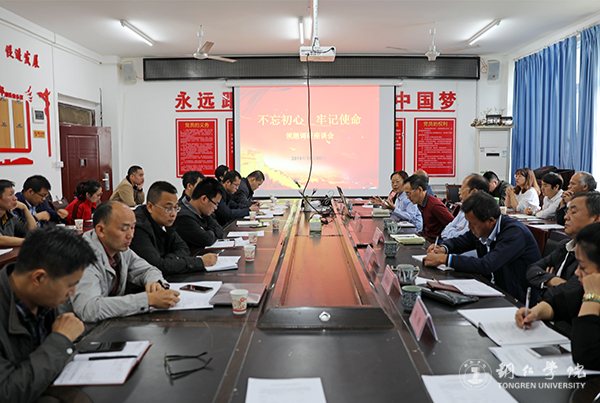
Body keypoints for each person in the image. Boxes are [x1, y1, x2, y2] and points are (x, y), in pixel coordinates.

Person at [0, 226, 96, 403]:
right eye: (69, 285)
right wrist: (60, 340)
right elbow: (7, 393)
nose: (72, 292)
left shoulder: (43, 299)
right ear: (38, 278)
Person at [60, 201, 180, 323]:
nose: (130, 235)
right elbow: (89, 309)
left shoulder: (120, 248)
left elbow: (147, 270)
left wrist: (155, 282)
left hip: (108, 323)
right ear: (101, 230)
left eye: (132, 228)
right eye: (124, 229)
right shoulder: (83, 258)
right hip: (79, 330)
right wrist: (147, 300)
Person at [425, 192, 541, 302]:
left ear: (490, 220)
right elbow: (462, 241)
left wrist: (445, 259)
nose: (469, 227)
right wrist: (443, 249)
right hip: (491, 288)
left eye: (473, 223)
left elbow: (487, 264)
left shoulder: (514, 233)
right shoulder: (483, 229)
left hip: (517, 299)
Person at [516, 222, 600, 370]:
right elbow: (561, 303)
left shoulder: (593, 291)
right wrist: (536, 312)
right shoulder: (586, 288)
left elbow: (585, 356)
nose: (577, 272)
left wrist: (592, 297)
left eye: (583, 266)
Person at [130, 181, 217, 275]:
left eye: (176, 208)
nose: (173, 214)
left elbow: (183, 248)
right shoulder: (137, 227)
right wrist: (200, 262)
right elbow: (157, 266)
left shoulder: (166, 222)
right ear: (150, 207)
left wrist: (168, 260)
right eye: (168, 208)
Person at [527, 192, 600, 299]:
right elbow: (532, 269)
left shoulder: (594, 255)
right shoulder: (564, 246)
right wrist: (554, 280)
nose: (566, 217)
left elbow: (573, 291)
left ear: (596, 219)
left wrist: (546, 284)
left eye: (573, 212)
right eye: (567, 212)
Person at [175, 178, 225, 251]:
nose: (216, 208)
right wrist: (210, 231)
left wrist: (207, 230)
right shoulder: (183, 217)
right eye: (215, 204)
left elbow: (219, 229)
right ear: (204, 199)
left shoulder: (203, 211)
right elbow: (207, 240)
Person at [403, 174, 453, 239]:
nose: (408, 197)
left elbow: (453, 224)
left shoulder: (434, 205)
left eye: (409, 193)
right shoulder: (421, 204)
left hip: (437, 241)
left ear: (420, 190)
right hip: (427, 237)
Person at [441, 174, 489, 240]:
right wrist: (457, 232)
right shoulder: (463, 209)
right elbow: (444, 232)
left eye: (462, 189)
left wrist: (453, 231)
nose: (459, 192)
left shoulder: (480, 214)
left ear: (474, 192)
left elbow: (464, 238)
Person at [0, 180, 37, 247]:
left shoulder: (10, 216)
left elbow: (33, 231)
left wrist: (25, 208)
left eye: (14, 194)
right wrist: (29, 241)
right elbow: (1, 240)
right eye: (10, 195)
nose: (15, 198)